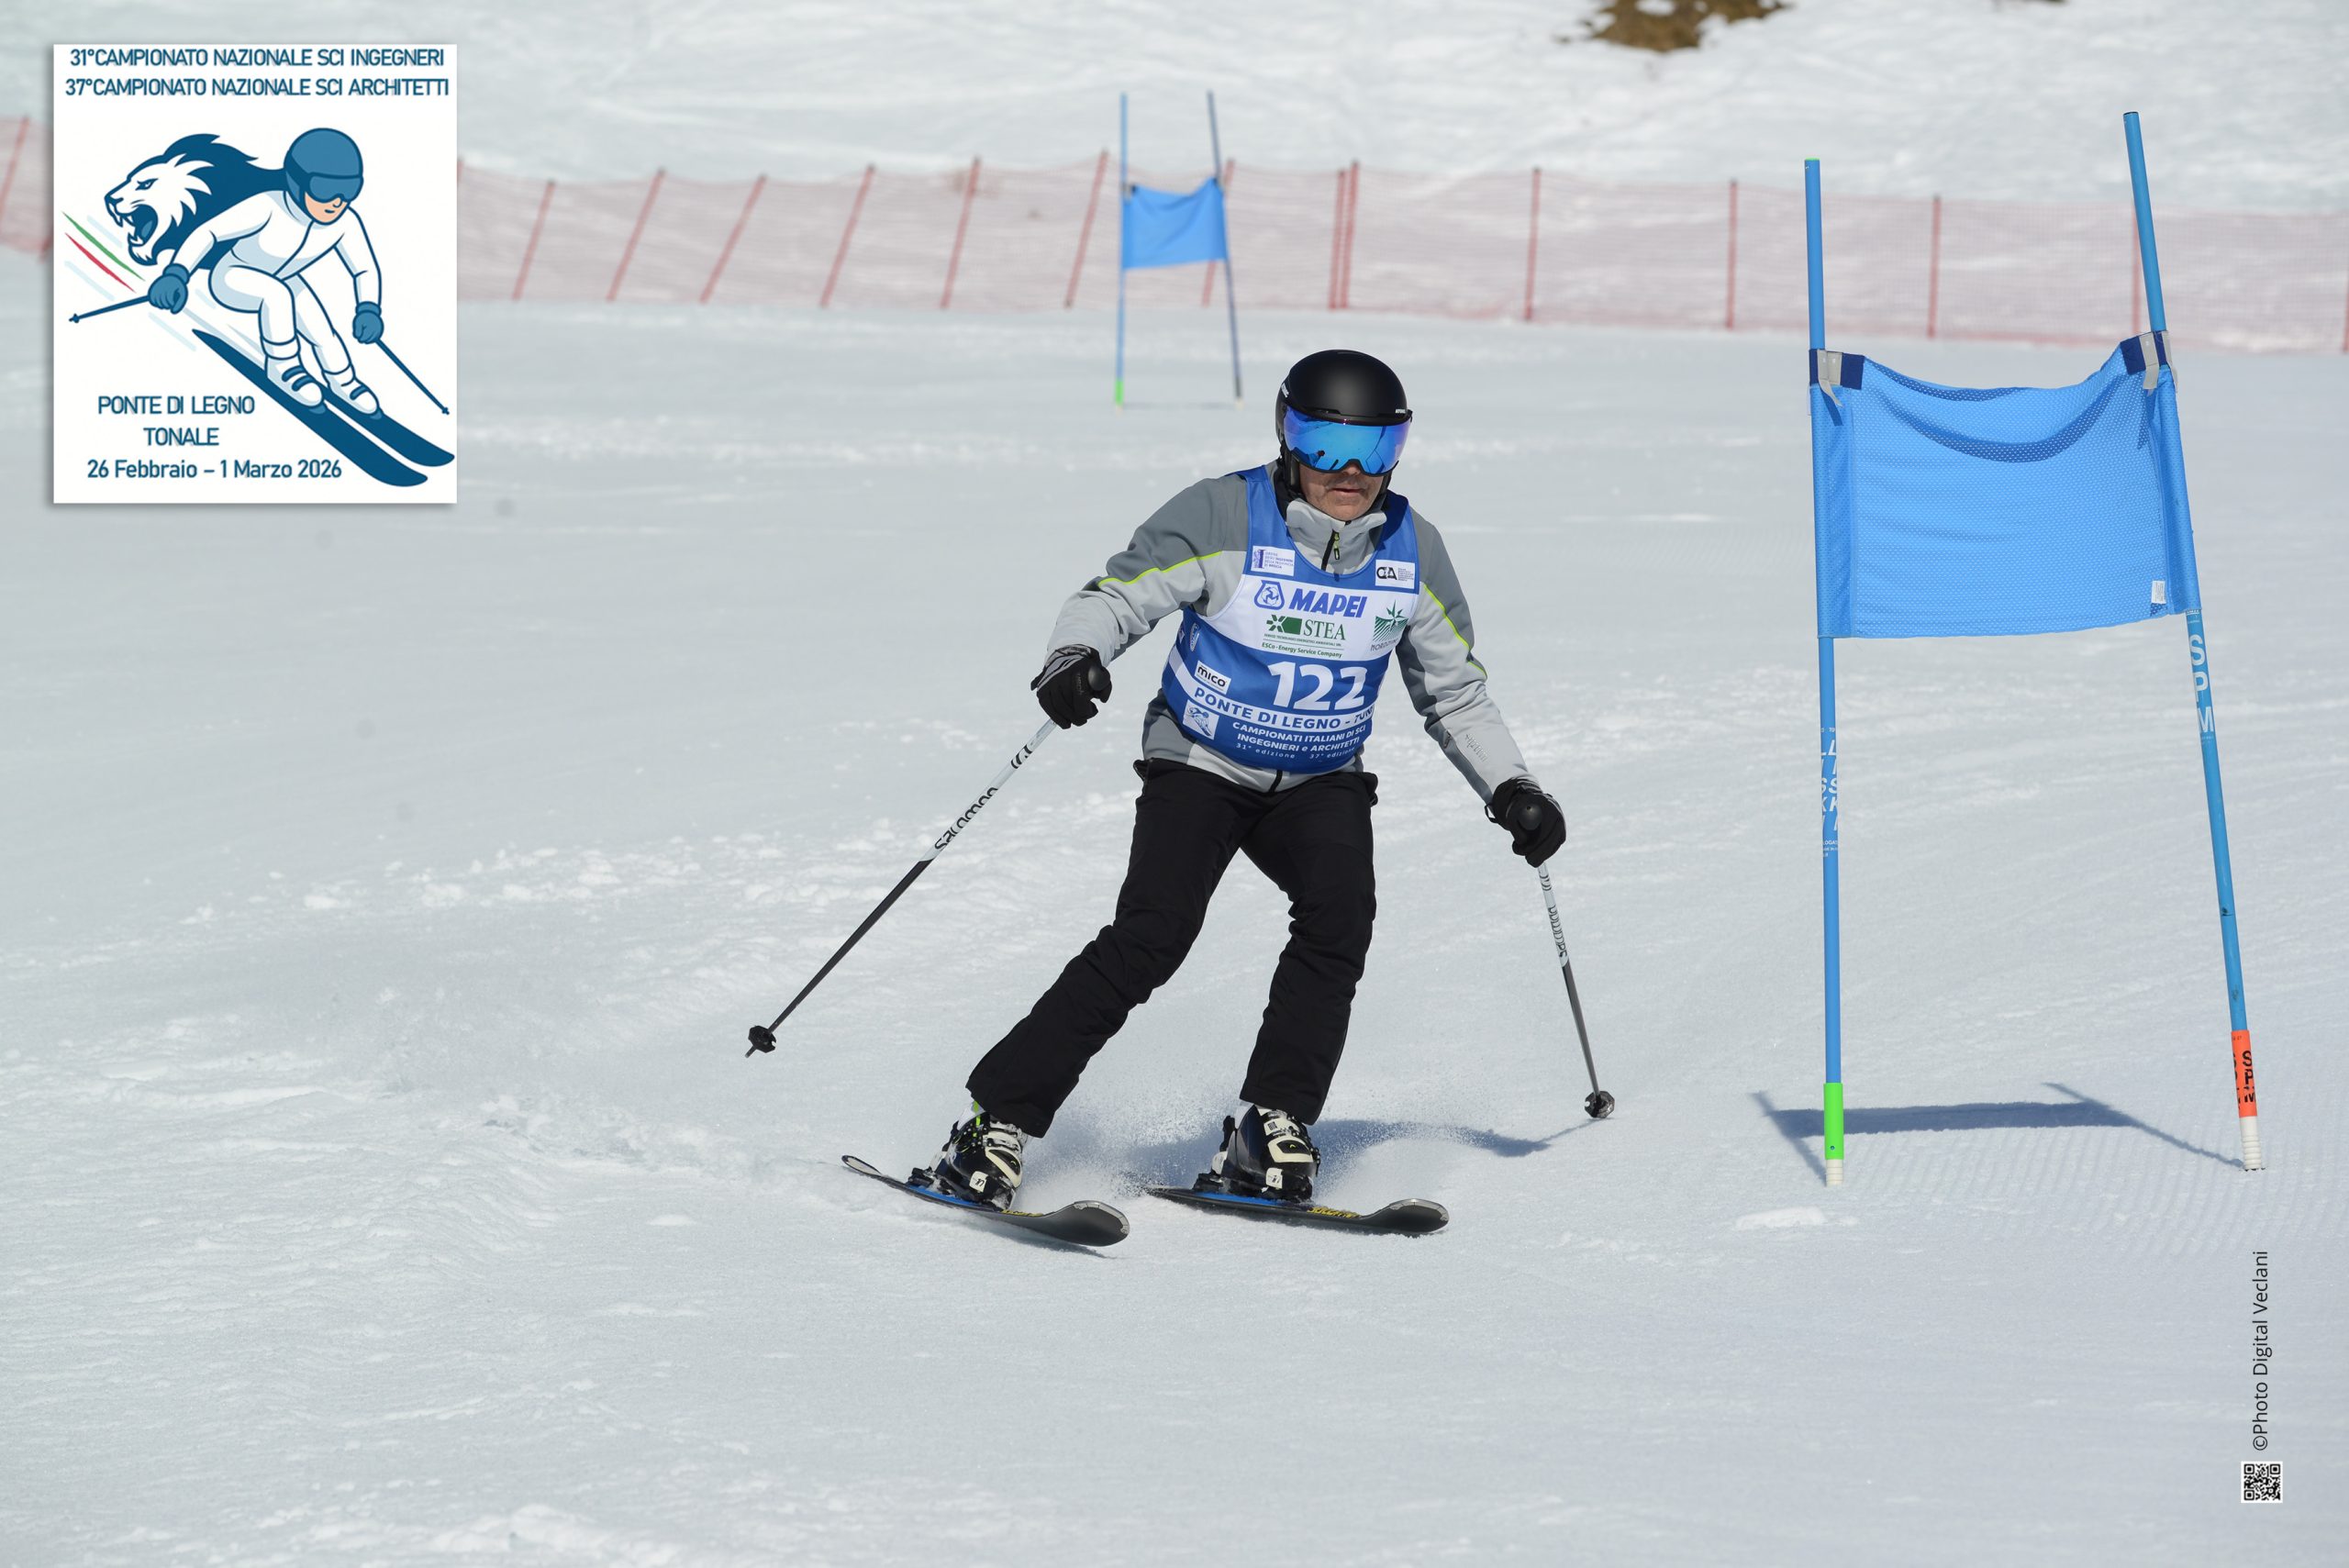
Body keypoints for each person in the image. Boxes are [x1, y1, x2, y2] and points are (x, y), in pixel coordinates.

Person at [930, 350, 1564, 1209]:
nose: (1350, 472)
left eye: (1376, 449)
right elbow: (1115, 597)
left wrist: (1511, 787)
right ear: (1286, 437)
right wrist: (1075, 655)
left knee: (1340, 919)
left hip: (1320, 775)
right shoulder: (1224, 513)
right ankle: (994, 1122)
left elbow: (1453, 691)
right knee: (1154, 933)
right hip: (1201, 760)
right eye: (1325, 443)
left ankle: (1271, 1124)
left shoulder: (1412, 550)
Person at [145, 128, 384, 414]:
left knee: (321, 329)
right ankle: (283, 367)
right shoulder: (269, 206)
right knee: (277, 295)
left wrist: (369, 308)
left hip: (284, 278)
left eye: (349, 190)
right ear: (297, 183)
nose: (337, 201)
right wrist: (177, 274)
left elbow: (364, 268)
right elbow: (209, 233)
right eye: (323, 189)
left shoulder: (345, 223)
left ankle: (343, 380)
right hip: (232, 276)